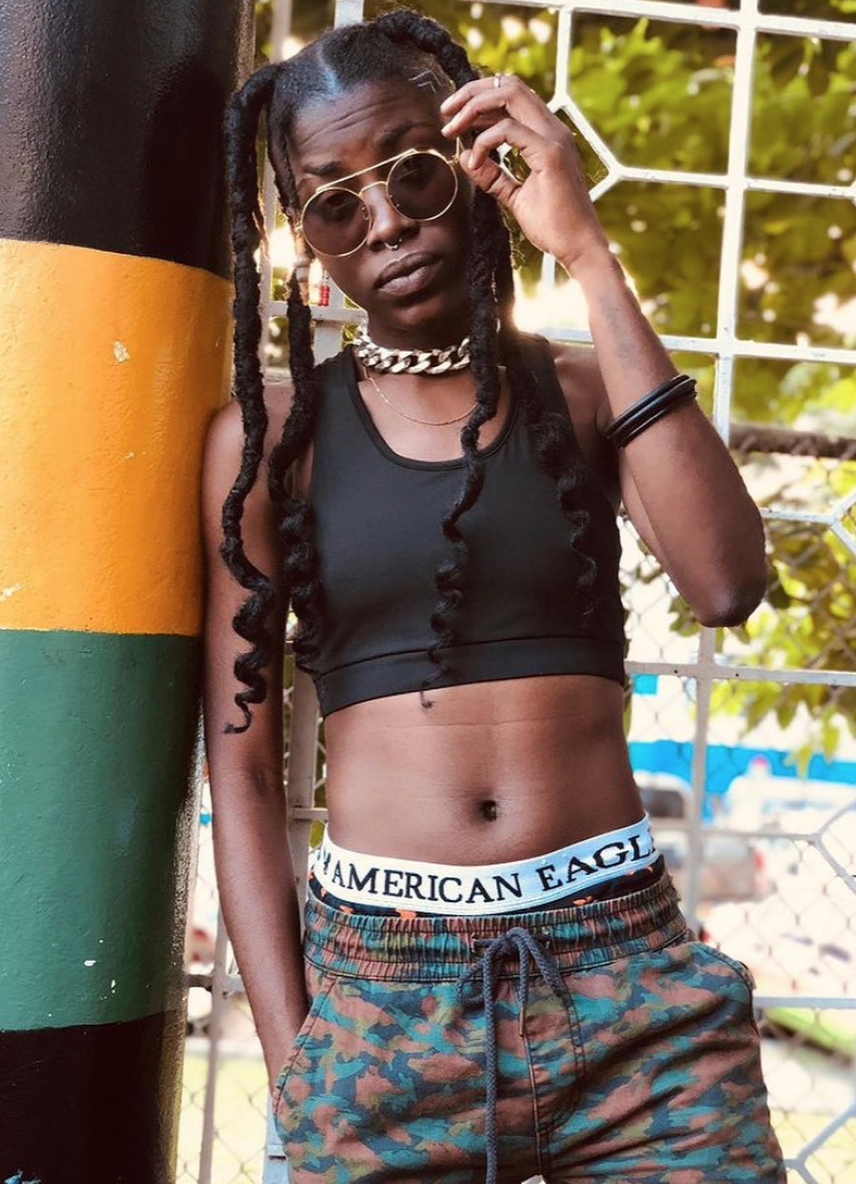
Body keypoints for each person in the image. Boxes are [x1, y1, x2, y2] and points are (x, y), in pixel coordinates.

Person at [202, 9, 787, 1183]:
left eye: (413, 171)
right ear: (307, 237)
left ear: (476, 164)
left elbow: (726, 580)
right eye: (335, 203)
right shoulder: (271, 442)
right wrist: (293, 1055)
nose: (387, 223)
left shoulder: (581, 392)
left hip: (626, 981)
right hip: (382, 999)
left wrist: (585, 249)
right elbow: (242, 769)